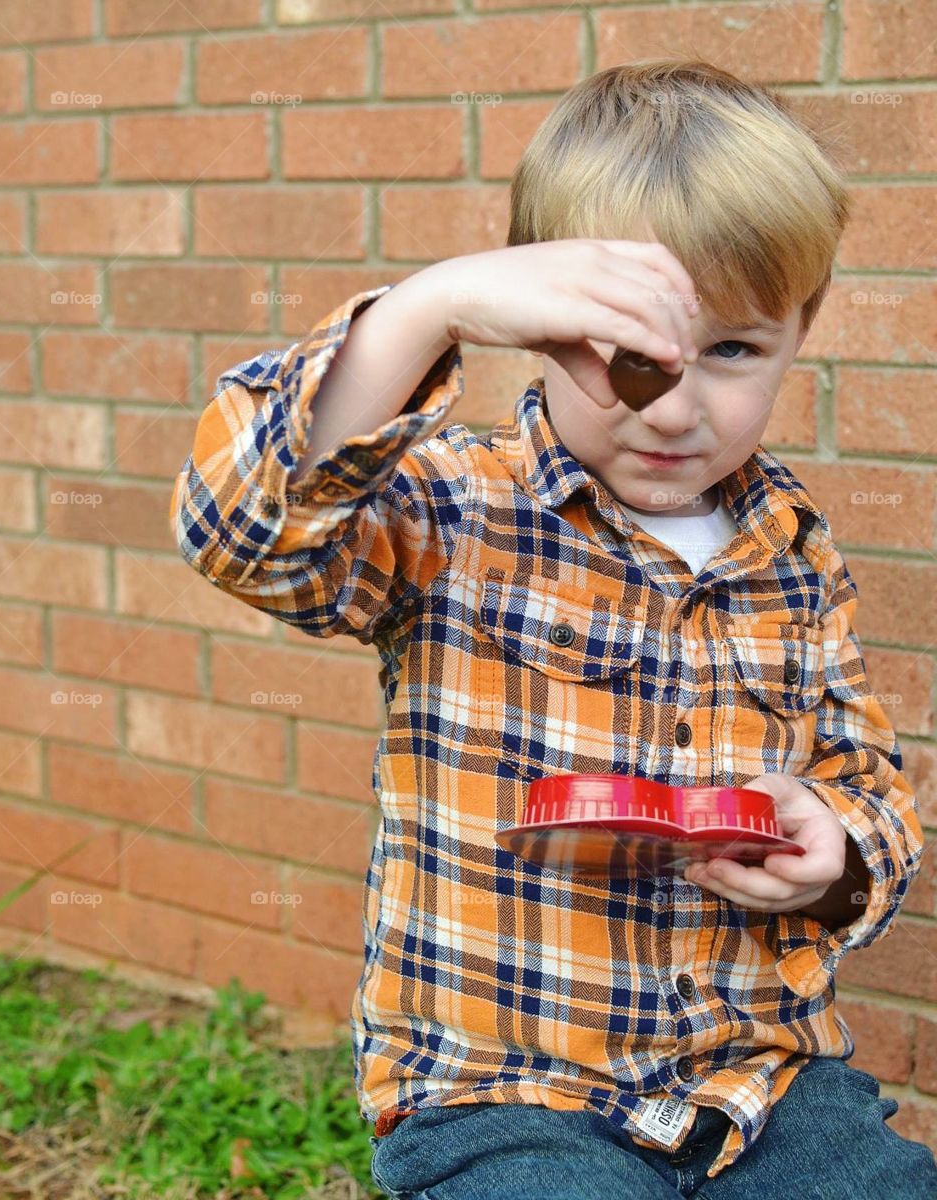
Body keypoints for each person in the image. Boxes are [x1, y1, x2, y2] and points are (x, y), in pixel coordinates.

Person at [169, 58, 935, 1200]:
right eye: (627, 358)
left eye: (732, 351)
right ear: (537, 331)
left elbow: (864, 775)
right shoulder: (454, 509)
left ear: (796, 333)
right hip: (505, 1092)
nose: (676, 407)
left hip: (758, 1085)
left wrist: (835, 854)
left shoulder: (794, 551)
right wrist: (430, 306)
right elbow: (239, 527)